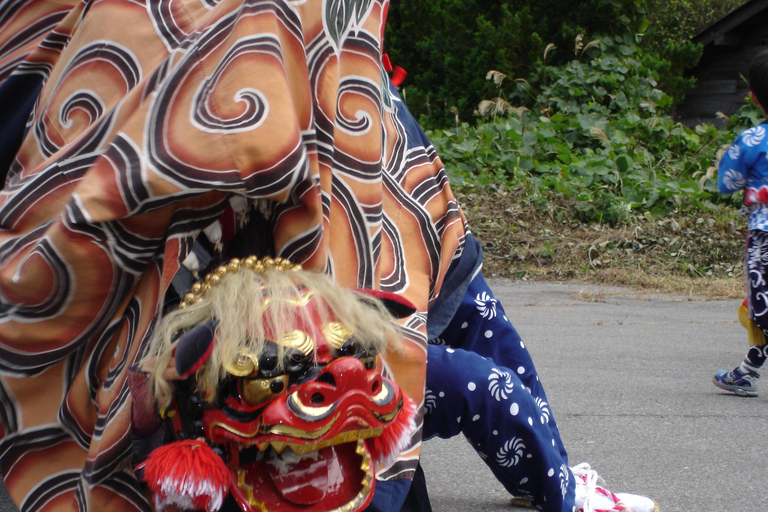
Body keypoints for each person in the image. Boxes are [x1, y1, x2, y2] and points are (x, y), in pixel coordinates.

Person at [713, 48, 768, 397]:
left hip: (764, 235)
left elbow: (726, 183)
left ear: (754, 97)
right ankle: (747, 369)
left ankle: (746, 370)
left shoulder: (751, 141)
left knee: (761, 302)